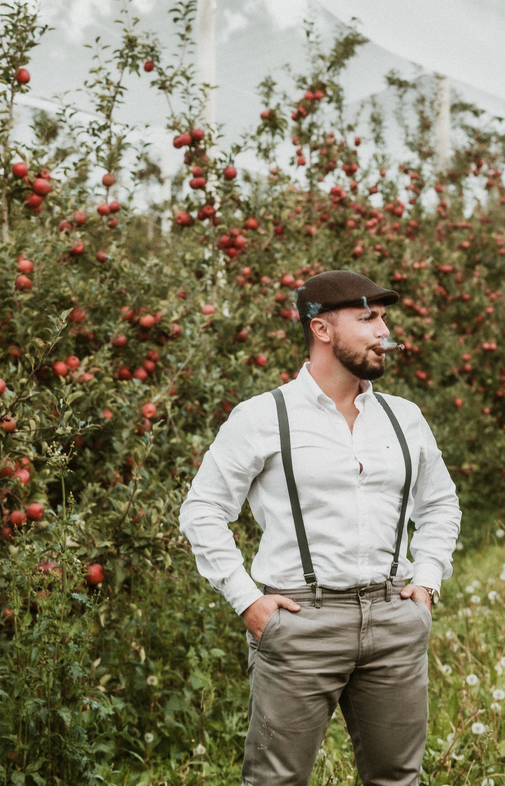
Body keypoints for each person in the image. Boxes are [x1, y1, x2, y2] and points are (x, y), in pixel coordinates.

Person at [179, 269, 462, 786]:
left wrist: (426, 582)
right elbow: (202, 509)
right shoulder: (262, 416)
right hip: (299, 623)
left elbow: (440, 503)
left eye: (383, 318)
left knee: (398, 779)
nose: (385, 331)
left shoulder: (404, 417)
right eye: (368, 318)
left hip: (394, 619)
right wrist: (247, 600)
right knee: (276, 781)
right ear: (322, 329)